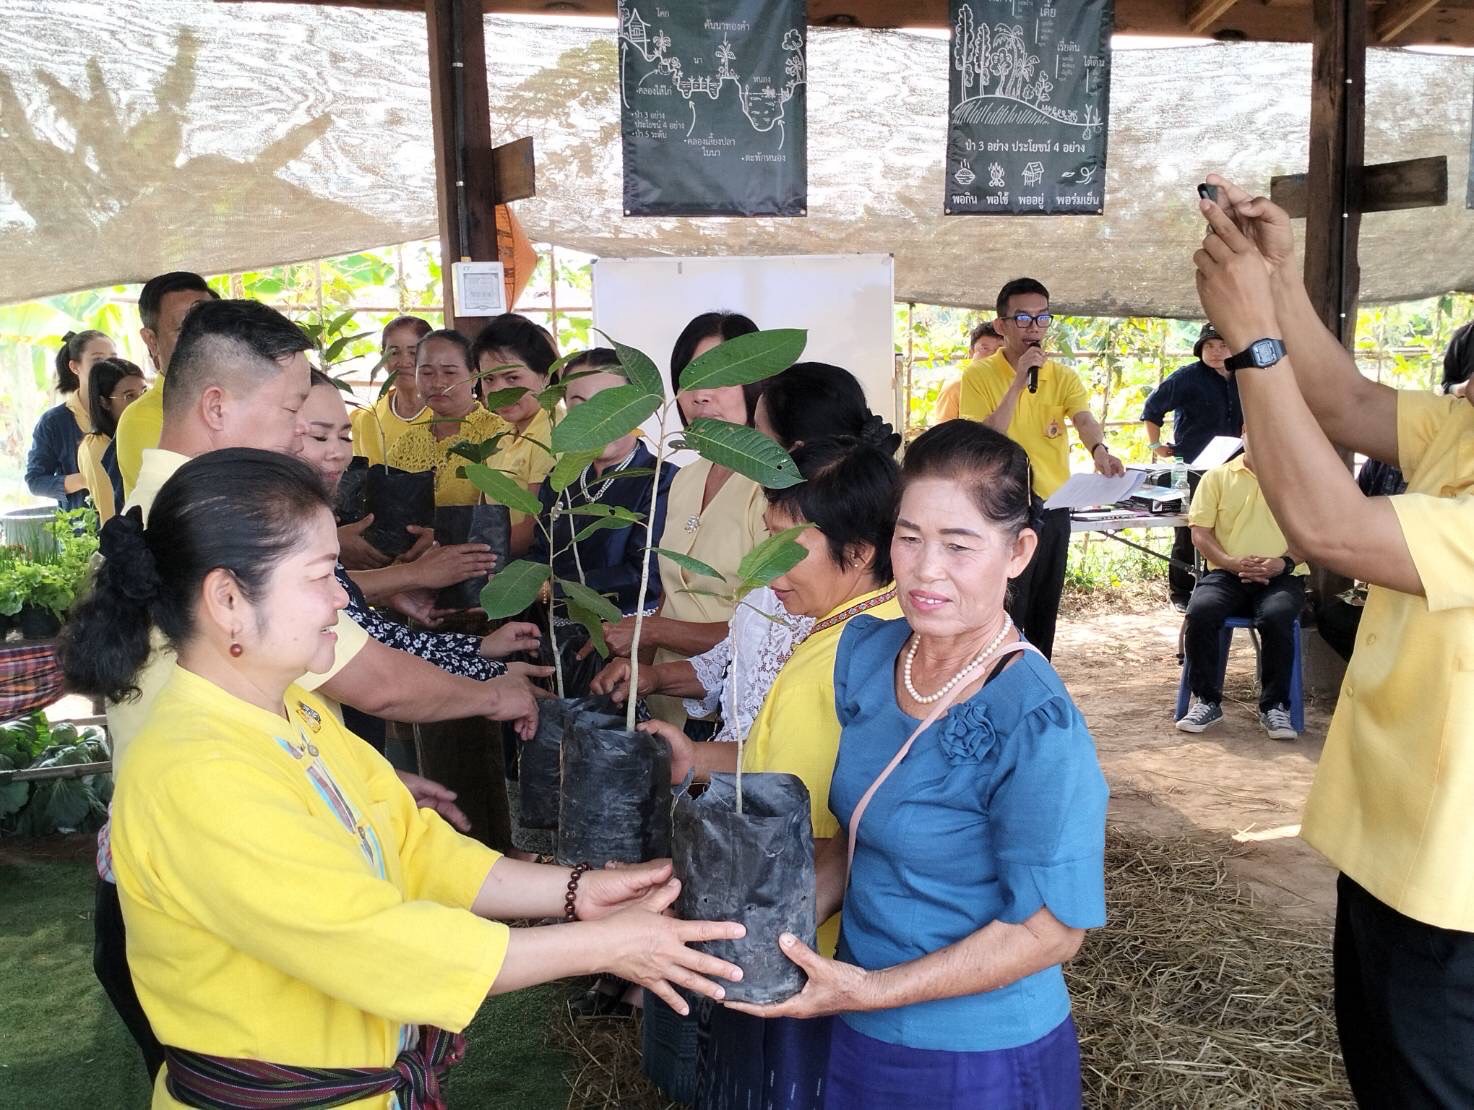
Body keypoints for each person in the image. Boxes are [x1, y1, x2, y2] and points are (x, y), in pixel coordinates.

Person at [57, 448, 746, 1109]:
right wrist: (606, 944)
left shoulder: (289, 707)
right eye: (321, 575)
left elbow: (412, 842)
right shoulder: (194, 771)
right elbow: (373, 945)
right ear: (229, 599)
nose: (341, 602)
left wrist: (577, 892)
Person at [88, 298, 542, 1082]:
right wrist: (492, 689)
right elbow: (377, 678)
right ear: (229, 599)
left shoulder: (195, 522)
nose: (307, 436)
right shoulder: (215, 524)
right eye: (296, 411)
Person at [1195, 172, 1474, 1105]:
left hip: (1456, 892)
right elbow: (1345, 401)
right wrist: (1276, 283)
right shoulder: (1466, 430)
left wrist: (1253, 340)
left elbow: (1333, 528)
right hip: (1394, 847)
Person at [731, 419, 1108, 1109]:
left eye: (960, 546)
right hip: (858, 1023)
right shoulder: (867, 656)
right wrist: (752, 940)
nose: (926, 570)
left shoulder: (1035, 722)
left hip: (978, 1056)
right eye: (910, 538)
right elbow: (859, 839)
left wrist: (873, 990)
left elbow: (1051, 931)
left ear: (1020, 551)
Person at [638, 432, 904, 1110]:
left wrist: (761, 944)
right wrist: (694, 757)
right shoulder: (835, 630)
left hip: (810, 951)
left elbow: (828, 836)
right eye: (766, 539)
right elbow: (776, 766)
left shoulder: (864, 654)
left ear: (861, 552)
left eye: (789, 545)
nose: (767, 568)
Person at [594, 362, 893, 742]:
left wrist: (653, 632)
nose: (771, 568)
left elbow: (785, 758)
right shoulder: (776, 586)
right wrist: (652, 675)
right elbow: (734, 661)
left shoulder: (863, 633)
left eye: (759, 434)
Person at [296, 369, 544, 748]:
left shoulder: (298, 522)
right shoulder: (270, 532)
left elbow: (372, 635)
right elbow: (373, 676)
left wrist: (476, 651)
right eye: (317, 435)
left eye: (345, 436)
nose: (337, 452)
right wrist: (489, 682)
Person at [588, 311, 775, 731]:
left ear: (759, 384)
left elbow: (771, 632)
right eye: (690, 381)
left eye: (721, 380)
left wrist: (650, 632)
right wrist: (635, 661)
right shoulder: (686, 477)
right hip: (668, 704)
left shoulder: (775, 487)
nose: (700, 397)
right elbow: (672, 595)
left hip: (741, 711)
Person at [958, 278, 1125, 659]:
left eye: (1042, 317)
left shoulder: (1063, 376)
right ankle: (997, 678)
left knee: (1044, 607)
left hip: (1053, 507)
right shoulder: (979, 376)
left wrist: (1100, 449)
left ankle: (1037, 676)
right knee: (1006, 604)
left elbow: (1083, 419)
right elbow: (983, 437)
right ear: (1001, 325)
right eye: (1022, 318)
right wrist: (1017, 383)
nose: (1034, 327)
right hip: (1003, 509)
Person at [528, 347, 676, 619]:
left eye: (609, 405)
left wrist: (552, 589)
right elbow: (541, 551)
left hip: (625, 639)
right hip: (551, 633)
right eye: (579, 405)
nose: (595, 419)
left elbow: (644, 576)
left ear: (636, 409)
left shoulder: (663, 481)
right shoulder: (560, 477)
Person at [1175, 433, 1306, 740]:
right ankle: (1206, 699)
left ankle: (1275, 707)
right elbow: (1200, 534)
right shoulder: (1217, 477)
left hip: (1282, 574)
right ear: (1245, 433)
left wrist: (1282, 563)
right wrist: (1230, 562)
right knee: (1201, 611)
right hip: (1227, 573)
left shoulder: (1298, 479)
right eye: (1255, 430)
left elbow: (1313, 537)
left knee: (1277, 616)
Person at [1142, 322, 1244, 609]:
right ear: (1199, 349)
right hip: (1194, 466)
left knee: (1230, 524)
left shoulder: (1245, 377)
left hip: (1236, 466)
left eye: (1222, 345)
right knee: (1190, 527)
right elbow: (1152, 410)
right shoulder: (1186, 378)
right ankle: (1181, 591)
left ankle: (1221, 584)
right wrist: (1155, 445)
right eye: (1209, 346)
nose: (1215, 352)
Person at [115, 271, 220, 497]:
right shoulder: (142, 419)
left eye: (210, 324)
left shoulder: (239, 397)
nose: (202, 338)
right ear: (151, 341)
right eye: (184, 329)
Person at [469, 313, 559, 555]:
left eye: (512, 378)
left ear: (546, 375)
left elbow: (535, 528)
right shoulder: (502, 430)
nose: (498, 390)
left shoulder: (553, 431)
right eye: (488, 379)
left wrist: (474, 558)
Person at [387, 329, 505, 505]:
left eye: (449, 373)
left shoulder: (498, 434)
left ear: (474, 377)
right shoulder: (405, 445)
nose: (437, 383)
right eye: (427, 373)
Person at [25, 329, 116, 509]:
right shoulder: (54, 422)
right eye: (98, 359)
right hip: (84, 530)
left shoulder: (129, 408)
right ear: (75, 367)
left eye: (113, 358)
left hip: (133, 523)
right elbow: (35, 481)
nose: (109, 365)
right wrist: (86, 479)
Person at [351, 314, 431, 465]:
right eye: (394, 353)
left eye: (413, 353)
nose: (404, 362)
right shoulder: (366, 419)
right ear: (383, 358)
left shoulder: (448, 415)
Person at [78, 357, 147, 523]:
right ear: (104, 402)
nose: (141, 402)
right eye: (129, 396)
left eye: (144, 392)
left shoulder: (132, 435)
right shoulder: (98, 447)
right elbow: (111, 512)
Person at [934, 321, 1004, 424]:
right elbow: (943, 435)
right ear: (971, 353)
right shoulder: (955, 389)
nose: (993, 355)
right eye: (985, 348)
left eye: (1000, 349)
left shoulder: (1015, 385)